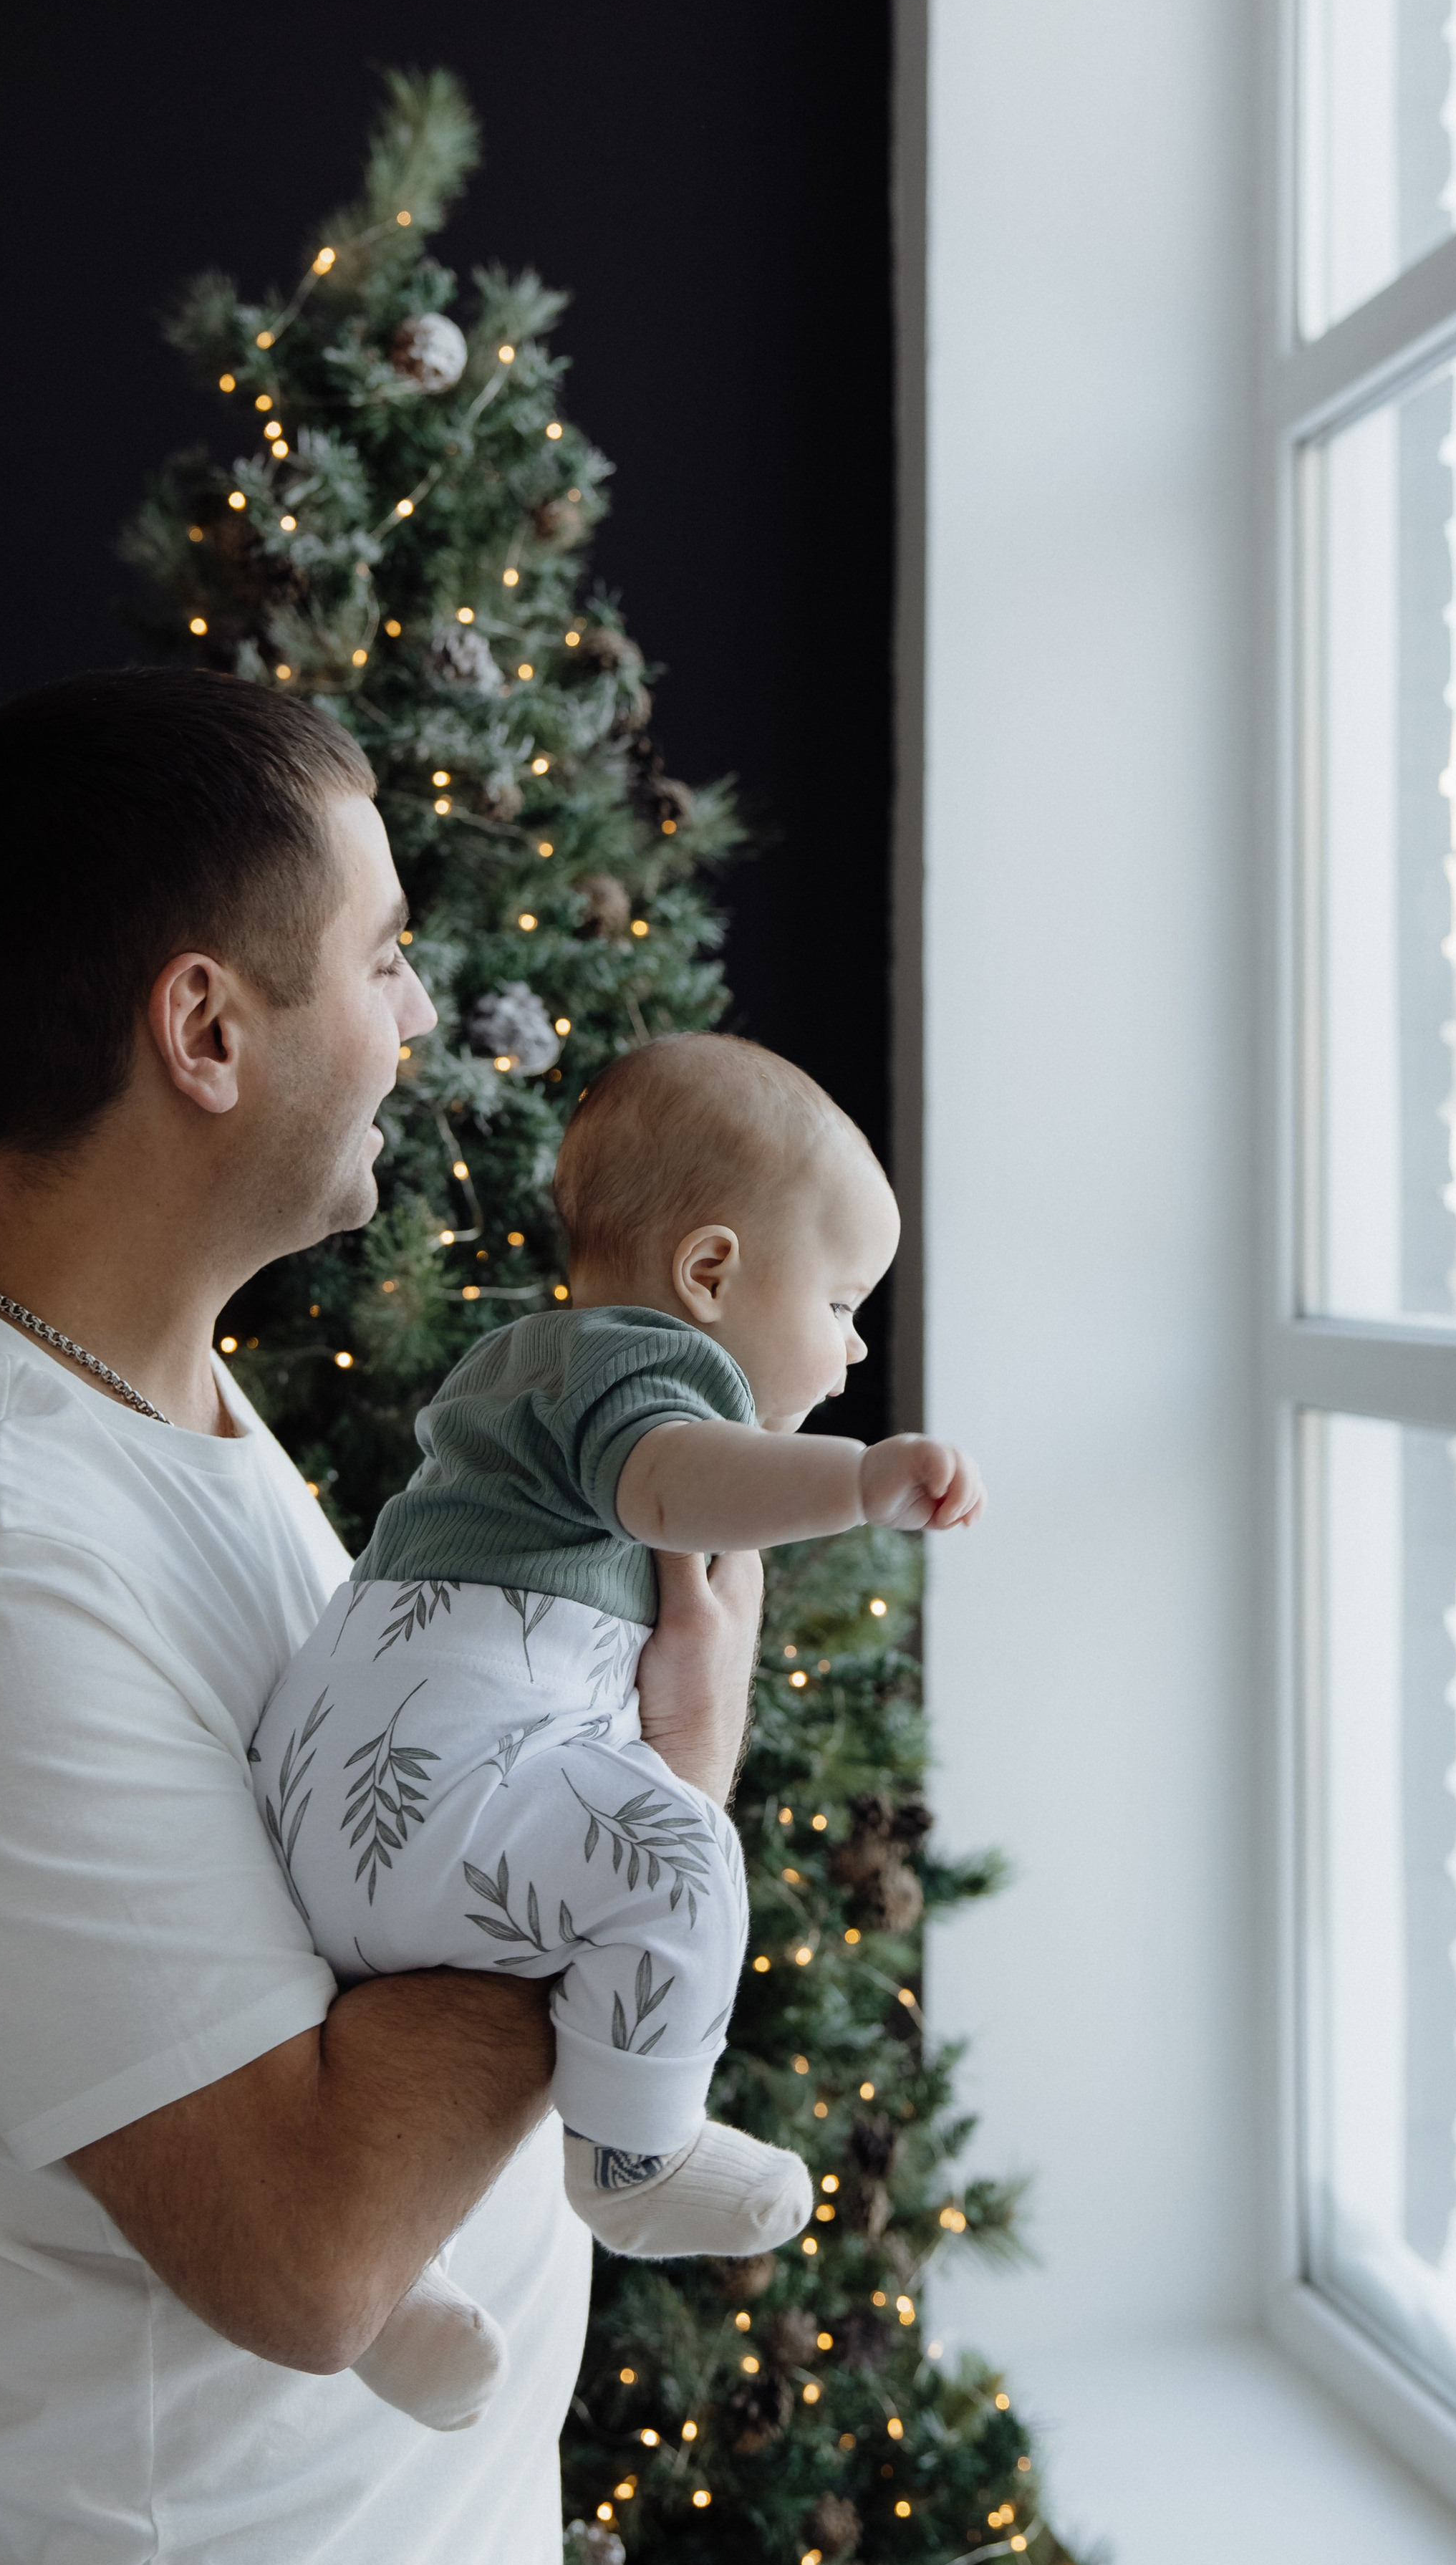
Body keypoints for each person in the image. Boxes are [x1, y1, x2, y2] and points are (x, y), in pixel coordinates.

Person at [0, 668, 763, 2565]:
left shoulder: (170, 1410)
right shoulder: (11, 1556)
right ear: (207, 1030)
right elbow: (311, 2252)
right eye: (389, 957)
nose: (424, 1020)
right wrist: (639, 1814)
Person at [252, 1035, 983, 2430]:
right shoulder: (636, 1365)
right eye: (836, 1301)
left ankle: (401, 2307)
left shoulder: (521, 1363)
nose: (851, 1344)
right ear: (708, 1277)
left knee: (379, 2014)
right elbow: (672, 1493)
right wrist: (860, 1481)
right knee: (679, 1858)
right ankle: (633, 2164)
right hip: (449, 1775)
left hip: (338, 1800)